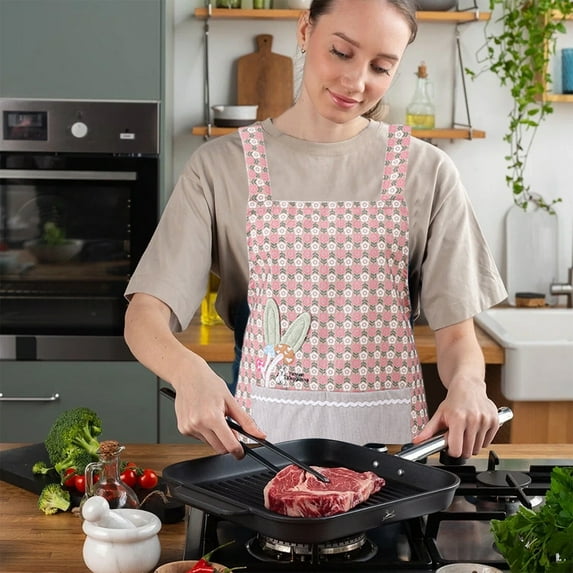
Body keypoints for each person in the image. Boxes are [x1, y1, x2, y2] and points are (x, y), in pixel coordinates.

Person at [124, 0, 507, 461]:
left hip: (391, 460)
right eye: (341, 52)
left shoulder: (427, 171)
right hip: (261, 450)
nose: (356, 82)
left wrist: (469, 384)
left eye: (381, 67)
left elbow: (457, 336)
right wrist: (188, 371)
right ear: (305, 30)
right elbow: (144, 316)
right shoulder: (221, 167)